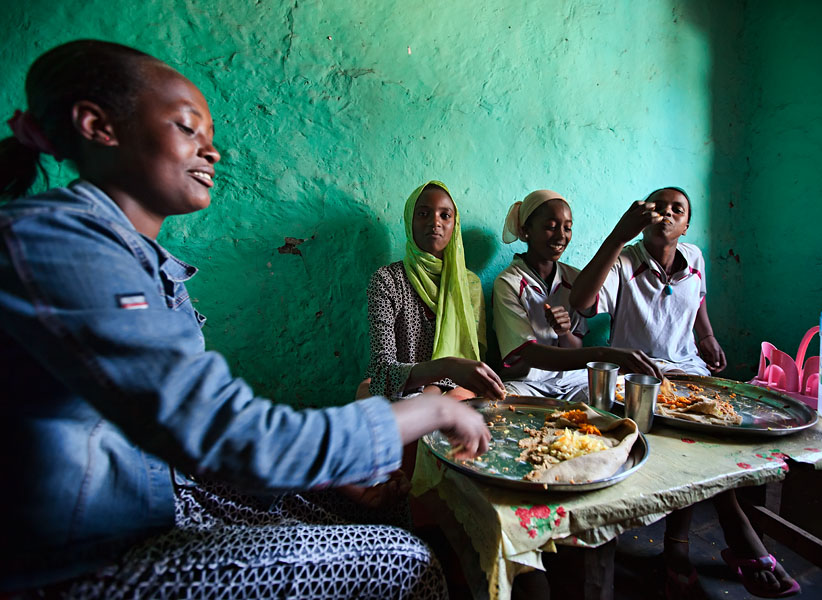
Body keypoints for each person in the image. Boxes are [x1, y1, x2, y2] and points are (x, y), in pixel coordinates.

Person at [0, 40, 490, 599]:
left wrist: (332, 471)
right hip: (85, 555)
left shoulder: (142, 260)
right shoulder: (60, 246)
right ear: (98, 126)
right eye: (187, 129)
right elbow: (221, 430)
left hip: (161, 491)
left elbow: (182, 436)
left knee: (381, 503)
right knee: (406, 561)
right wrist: (424, 407)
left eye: (210, 138)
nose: (211, 153)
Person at [568, 187, 799, 599]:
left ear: (687, 225)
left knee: (718, 427)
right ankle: (724, 537)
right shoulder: (626, 261)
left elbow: (698, 306)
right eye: (659, 207)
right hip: (638, 375)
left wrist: (707, 337)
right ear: (643, 220)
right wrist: (619, 235)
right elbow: (581, 301)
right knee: (686, 436)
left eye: (678, 209)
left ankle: (681, 547)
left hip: (688, 371)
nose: (667, 214)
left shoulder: (694, 258)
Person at [492, 189, 663, 403]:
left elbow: (575, 347)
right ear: (526, 231)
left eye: (567, 228)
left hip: (573, 381)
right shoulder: (508, 283)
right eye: (550, 227)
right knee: (502, 403)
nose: (561, 236)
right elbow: (530, 354)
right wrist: (603, 355)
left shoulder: (574, 278)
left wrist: (564, 333)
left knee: (613, 402)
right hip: (527, 383)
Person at [362, 180, 506, 401]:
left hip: (453, 387)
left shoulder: (469, 285)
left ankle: (417, 418)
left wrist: (437, 385)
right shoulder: (387, 280)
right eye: (423, 214)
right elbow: (382, 371)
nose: (435, 222)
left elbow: (472, 362)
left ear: (454, 225)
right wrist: (443, 368)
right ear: (410, 221)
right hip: (399, 385)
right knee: (365, 391)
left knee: (458, 400)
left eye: (445, 215)